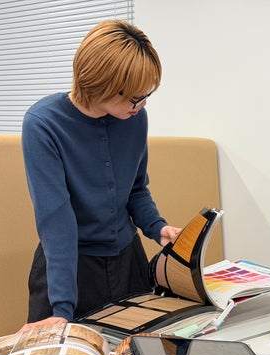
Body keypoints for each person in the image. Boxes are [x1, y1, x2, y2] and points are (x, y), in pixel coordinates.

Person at [20, 20, 181, 332]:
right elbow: (56, 220)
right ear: (100, 84)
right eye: (134, 97)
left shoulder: (135, 119)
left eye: (146, 95)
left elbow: (136, 188)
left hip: (128, 262)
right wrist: (62, 307)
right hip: (68, 270)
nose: (141, 105)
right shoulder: (43, 123)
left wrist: (158, 228)